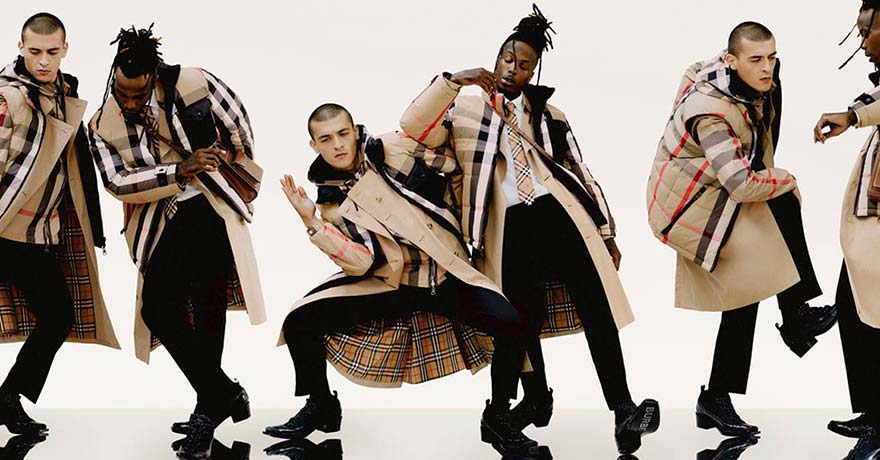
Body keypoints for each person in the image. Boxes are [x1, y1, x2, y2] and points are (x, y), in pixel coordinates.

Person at [399, 5, 659, 455]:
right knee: (521, 319)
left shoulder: (550, 114)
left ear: (533, 71)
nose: (512, 70)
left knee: (597, 306)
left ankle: (623, 411)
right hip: (510, 224)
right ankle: (515, 406)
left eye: (523, 65)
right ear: (496, 58)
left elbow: (579, 171)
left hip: (559, 214)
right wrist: (455, 79)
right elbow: (411, 125)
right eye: (507, 59)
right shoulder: (464, 109)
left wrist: (606, 230)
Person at [264, 103, 537, 456]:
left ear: (356, 131)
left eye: (343, 134)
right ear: (313, 145)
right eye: (326, 139)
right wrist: (312, 222)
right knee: (300, 321)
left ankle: (498, 416)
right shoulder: (330, 200)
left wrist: (457, 216)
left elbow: (450, 164)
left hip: (444, 272)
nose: (338, 145)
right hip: (394, 283)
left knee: (512, 324)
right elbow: (360, 263)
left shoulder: (393, 148)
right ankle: (322, 405)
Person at [647, 21, 836, 437]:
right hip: (691, 206)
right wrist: (784, 180)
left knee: (749, 285)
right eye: (756, 60)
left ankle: (716, 396)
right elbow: (740, 183)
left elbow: (759, 150)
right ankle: (794, 318)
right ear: (731, 61)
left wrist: (770, 176)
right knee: (777, 213)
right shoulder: (711, 114)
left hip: (718, 188)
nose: (767, 67)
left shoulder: (756, 83)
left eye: (772, 57)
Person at [87, 24, 265, 460]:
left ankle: (208, 409)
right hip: (160, 218)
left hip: (212, 206)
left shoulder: (194, 82)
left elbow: (239, 129)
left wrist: (227, 161)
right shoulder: (101, 124)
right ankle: (222, 393)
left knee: (208, 307)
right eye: (122, 93)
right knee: (157, 308)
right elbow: (117, 182)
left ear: (153, 75)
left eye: (138, 94)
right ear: (113, 75)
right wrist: (177, 171)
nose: (130, 103)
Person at [0, 12, 119, 435]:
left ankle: (8, 398)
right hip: (5, 229)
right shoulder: (10, 97)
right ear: (20, 48)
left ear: (65, 49)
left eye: (52, 52)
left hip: (38, 234)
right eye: (34, 51)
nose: (43, 61)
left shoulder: (63, 95)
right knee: (55, 314)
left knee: (57, 314)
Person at [813, 2, 880, 458]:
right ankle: (873, 414)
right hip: (870, 216)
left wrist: (853, 116)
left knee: (868, 310)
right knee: (855, 306)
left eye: (865, 32)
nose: (860, 43)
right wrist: (853, 113)